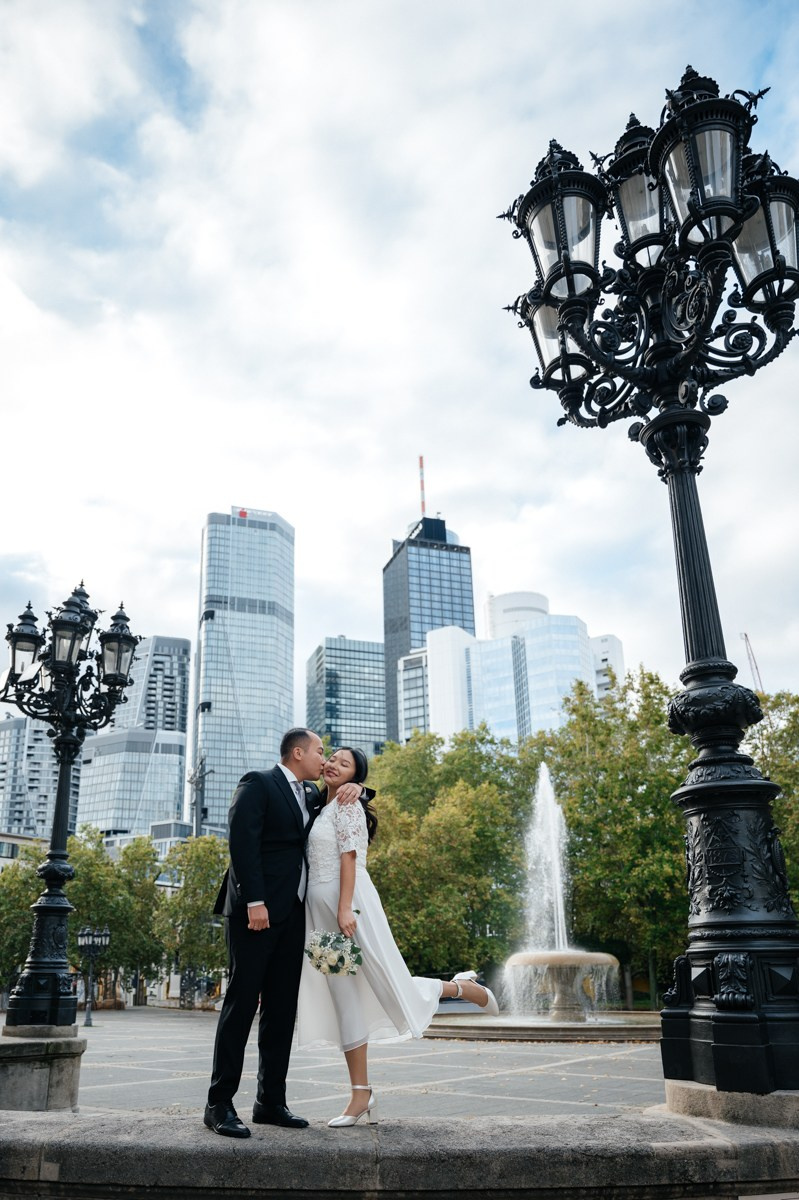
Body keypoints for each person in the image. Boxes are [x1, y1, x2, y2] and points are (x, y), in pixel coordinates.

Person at [296, 746, 499, 1127]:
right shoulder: (316, 803)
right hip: (317, 917)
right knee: (344, 1000)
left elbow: (350, 857)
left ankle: (461, 989)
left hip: (351, 906)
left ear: (356, 778)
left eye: (346, 764)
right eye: (333, 758)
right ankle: (361, 1095)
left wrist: (344, 909)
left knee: (389, 984)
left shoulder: (348, 804)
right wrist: (360, 787)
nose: (335, 765)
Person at [204, 728, 362, 1138]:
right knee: (241, 1006)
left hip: (294, 917)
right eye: (320, 752)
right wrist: (254, 900)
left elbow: (340, 803)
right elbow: (241, 843)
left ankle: (270, 1102)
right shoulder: (259, 783)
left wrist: (359, 787)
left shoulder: (308, 796)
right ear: (297, 753)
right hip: (255, 913)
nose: (324, 760)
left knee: (279, 1011)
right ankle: (218, 1104)